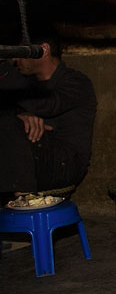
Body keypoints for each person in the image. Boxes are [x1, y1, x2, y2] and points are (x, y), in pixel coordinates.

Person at [0, 27, 96, 203]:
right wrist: (21, 116)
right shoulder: (27, 84)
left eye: (20, 53)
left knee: (8, 125)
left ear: (43, 50)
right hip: (31, 158)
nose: (15, 59)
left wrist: (4, 72)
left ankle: (24, 200)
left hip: (65, 163)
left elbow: (48, 105)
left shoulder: (76, 82)